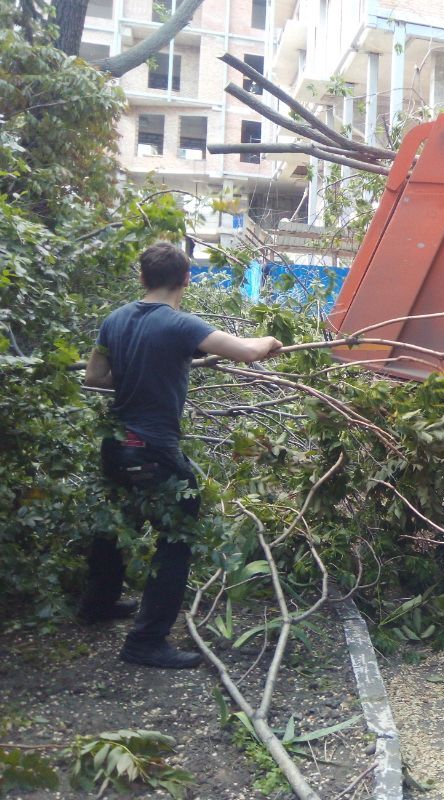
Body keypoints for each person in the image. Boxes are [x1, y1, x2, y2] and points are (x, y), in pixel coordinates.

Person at [81, 242, 283, 668]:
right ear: (187, 279)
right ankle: (145, 643)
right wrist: (270, 339)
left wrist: (140, 371)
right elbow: (247, 351)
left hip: (116, 445)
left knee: (116, 523)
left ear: (142, 278)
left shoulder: (114, 320)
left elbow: (95, 377)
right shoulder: (179, 324)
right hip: (154, 450)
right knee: (176, 540)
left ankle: (96, 605)